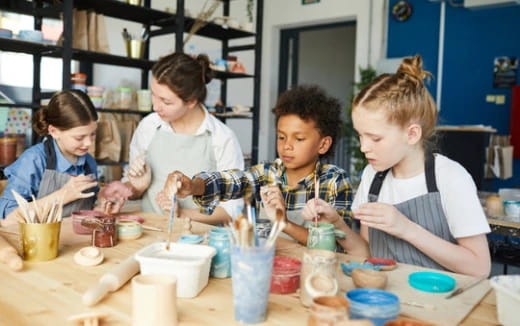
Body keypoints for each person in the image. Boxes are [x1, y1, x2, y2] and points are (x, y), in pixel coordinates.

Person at [303, 55, 490, 276]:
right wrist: (336, 224)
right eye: (360, 136)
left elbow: (480, 268)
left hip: (441, 301)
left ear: (411, 134)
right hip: (385, 296)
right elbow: (367, 253)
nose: (363, 147)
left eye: (375, 138)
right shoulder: (373, 176)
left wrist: (406, 229)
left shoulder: (450, 177)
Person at [162, 85, 364, 247]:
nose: (287, 146)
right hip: (265, 264)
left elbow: (337, 245)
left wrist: (284, 224)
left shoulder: (334, 180)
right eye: (281, 137)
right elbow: (230, 181)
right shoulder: (267, 173)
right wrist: (194, 186)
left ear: (323, 144)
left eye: (299, 139)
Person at [124, 52, 244, 224]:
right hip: (151, 232)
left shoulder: (222, 138)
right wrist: (134, 187)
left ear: (191, 101)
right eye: (153, 94)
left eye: (166, 102)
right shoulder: (149, 126)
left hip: (201, 237)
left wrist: (182, 214)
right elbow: (134, 189)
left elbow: (231, 209)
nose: (155, 106)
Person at [0, 90, 131, 226]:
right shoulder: (34, 160)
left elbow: (84, 211)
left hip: (75, 241)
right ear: (54, 131)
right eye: (79, 137)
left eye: (92, 134)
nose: (88, 143)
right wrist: (62, 195)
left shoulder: (88, 162)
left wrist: (103, 203)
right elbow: (8, 220)